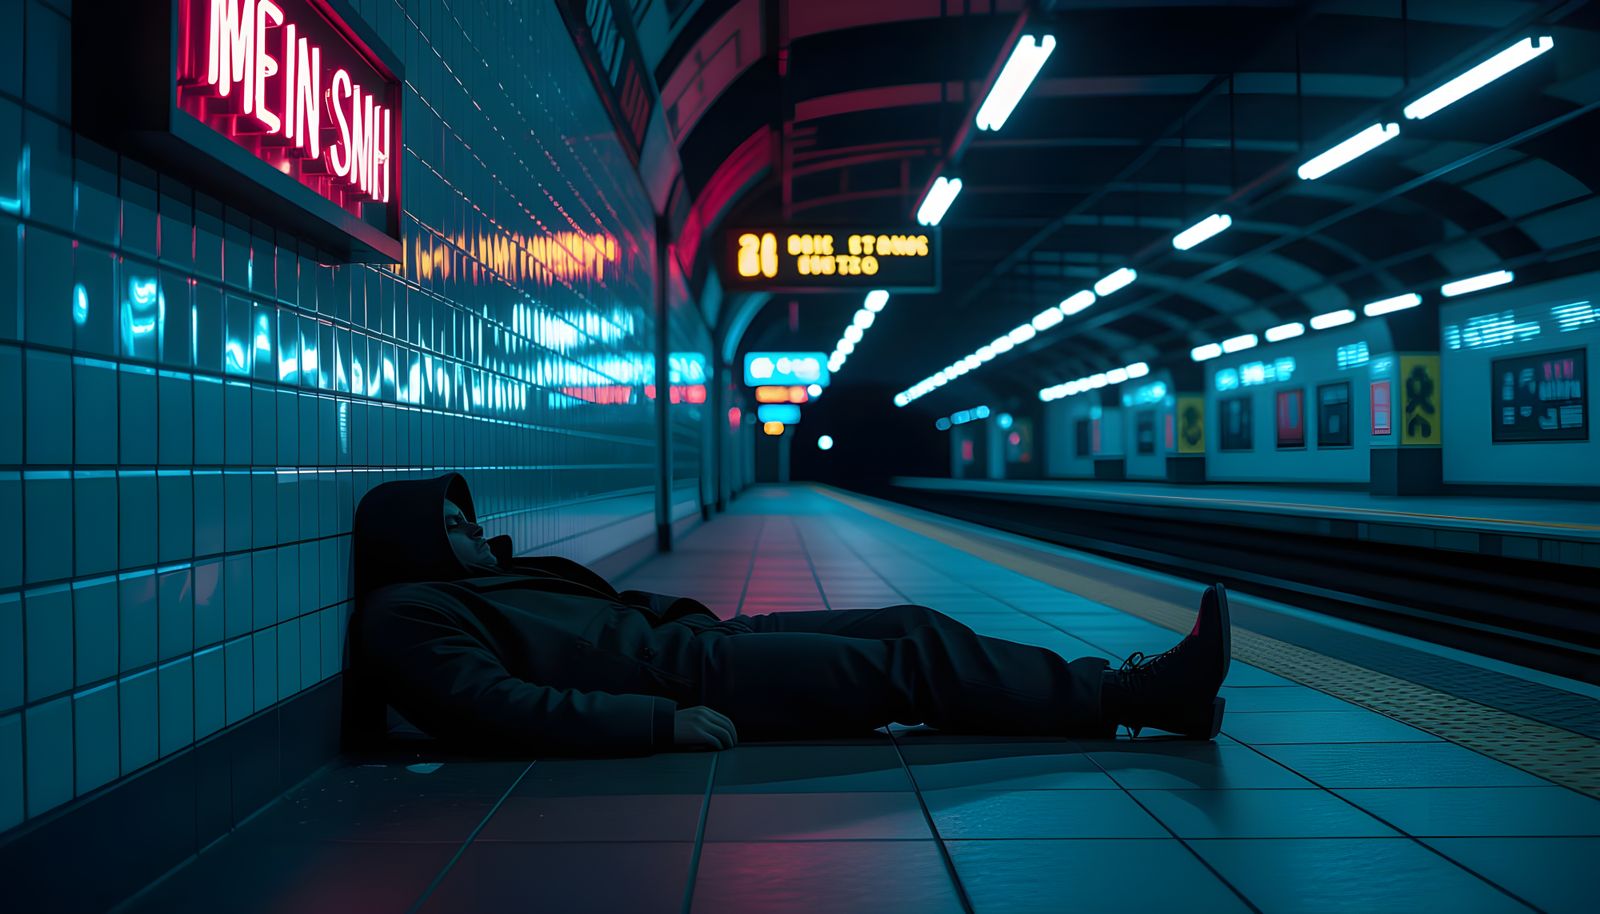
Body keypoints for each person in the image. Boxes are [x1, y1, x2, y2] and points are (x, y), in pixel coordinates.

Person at [345, 473, 1231, 754]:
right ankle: (1134, 698)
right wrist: (657, 722)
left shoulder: (479, 583)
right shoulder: (408, 613)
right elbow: (490, 710)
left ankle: (1139, 692)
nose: (473, 528)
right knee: (903, 671)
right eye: (450, 522)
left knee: (909, 624)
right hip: (695, 678)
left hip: (706, 643)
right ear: (411, 542)